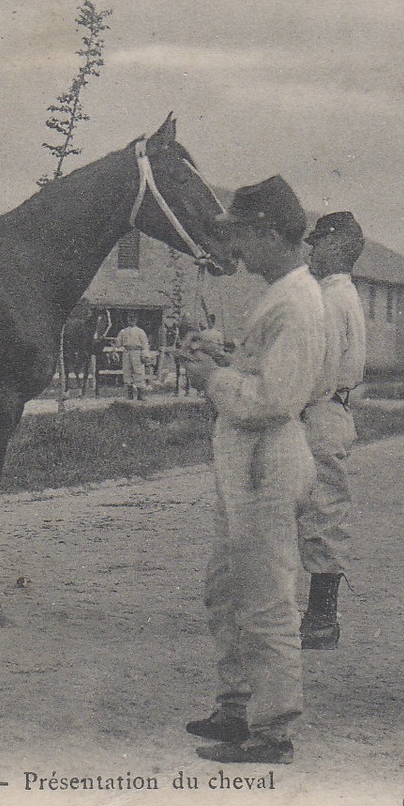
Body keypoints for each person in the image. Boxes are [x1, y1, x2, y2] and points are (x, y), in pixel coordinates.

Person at [180, 176, 325, 765]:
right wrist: (226, 358)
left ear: (268, 232)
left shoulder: (297, 299)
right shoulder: (283, 294)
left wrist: (211, 379)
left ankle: (273, 731)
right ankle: (237, 705)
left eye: (242, 236)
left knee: (266, 599)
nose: (235, 250)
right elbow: (264, 373)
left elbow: (276, 400)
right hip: (245, 464)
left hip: (267, 462)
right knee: (227, 589)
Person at [296, 211, 369, 650]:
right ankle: (312, 614)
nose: (311, 251)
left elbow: (317, 372)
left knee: (320, 511)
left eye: (318, 243)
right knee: (320, 510)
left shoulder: (328, 297)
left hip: (318, 410)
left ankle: (322, 618)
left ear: (338, 246)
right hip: (333, 411)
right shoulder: (344, 295)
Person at [115, 314, 152, 401]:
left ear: (136, 320)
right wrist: (114, 345)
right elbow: (118, 343)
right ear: (127, 320)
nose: (132, 320)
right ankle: (130, 394)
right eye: (130, 318)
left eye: (133, 318)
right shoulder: (123, 331)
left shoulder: (140, 331)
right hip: (127, 352)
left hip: (137, 352)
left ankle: (140, 395)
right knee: (127, 371)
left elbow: (145, 344)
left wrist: (145, 355)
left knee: (138, 372)